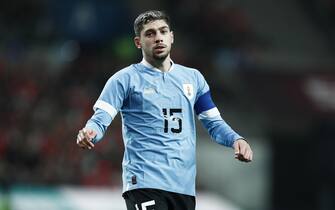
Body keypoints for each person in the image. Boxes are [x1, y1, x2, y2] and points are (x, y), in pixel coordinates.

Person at [76, 10, 253, 210]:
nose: (158, 37)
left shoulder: (193, 79)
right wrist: (90, 132)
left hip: (183, 188)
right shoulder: (124, 79)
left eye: (162, 31)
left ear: (172, 37)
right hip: (145, 182)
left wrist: (236, 139)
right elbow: (100, 119)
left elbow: (213, 123)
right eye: (150, 34)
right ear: (138, 42)